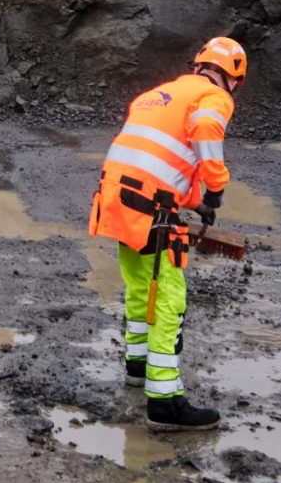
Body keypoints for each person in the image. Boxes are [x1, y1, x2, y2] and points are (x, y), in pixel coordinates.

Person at [86, 37, 247, 429]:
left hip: (116, 200)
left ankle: (137, 367)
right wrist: (216, 186)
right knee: (169, 299)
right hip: (152, 212)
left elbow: (157, 158)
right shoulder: (214, 97)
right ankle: (165, 403)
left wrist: (194, 203)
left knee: (141, 286)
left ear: (199, 64)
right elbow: (206, 127)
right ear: (234, 78)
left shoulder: (158, 94)